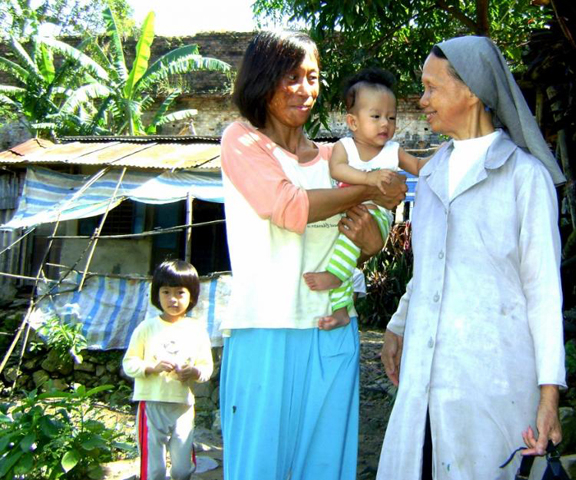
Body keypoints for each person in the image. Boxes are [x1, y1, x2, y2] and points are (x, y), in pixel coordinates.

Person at [377, 36, 567, 480]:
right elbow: (429, 268)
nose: (421, 101)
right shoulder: (432, 174)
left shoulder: (525, 178)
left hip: (493, 380)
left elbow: (544, 294)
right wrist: (397, 325)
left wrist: (549, 395)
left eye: (431, 88)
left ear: (473, 91)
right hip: (424, 380)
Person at [219, 31, 406, 480]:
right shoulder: (242, 140)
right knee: (257, 469)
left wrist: (370, 241)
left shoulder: (334, 158)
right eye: (290, 77)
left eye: (312, 77)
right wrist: (370, 187)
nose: (304, 89)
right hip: (265, 329)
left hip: (333, 328)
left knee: (327, 469)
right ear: (262, 80)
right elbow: (289, 208)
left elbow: (370, 234)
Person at [303, 68, 427, 328]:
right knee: (338, 251)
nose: (386, 123)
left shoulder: (393, 151)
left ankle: (335, 278)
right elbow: (337, 169)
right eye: (376, 116)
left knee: (345, 248)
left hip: (378, 216)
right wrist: (370, 179)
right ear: (353, 122)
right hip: (347, 213)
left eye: (391, 117)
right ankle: (340, 309)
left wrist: (448, 153)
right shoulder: (344, 147)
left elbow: (418, 166)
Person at [122, 259, 213, 480]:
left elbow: (206, 367)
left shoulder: (197, 330)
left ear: (191, 296)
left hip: (182, 405)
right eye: (166, 292)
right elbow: (129, 362)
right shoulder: (146, 328)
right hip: (151, 403)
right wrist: (150, 368)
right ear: (157, 295)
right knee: (154, 469)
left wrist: (193, 372)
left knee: (182, 468)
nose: (173, 299)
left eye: (180, 292)